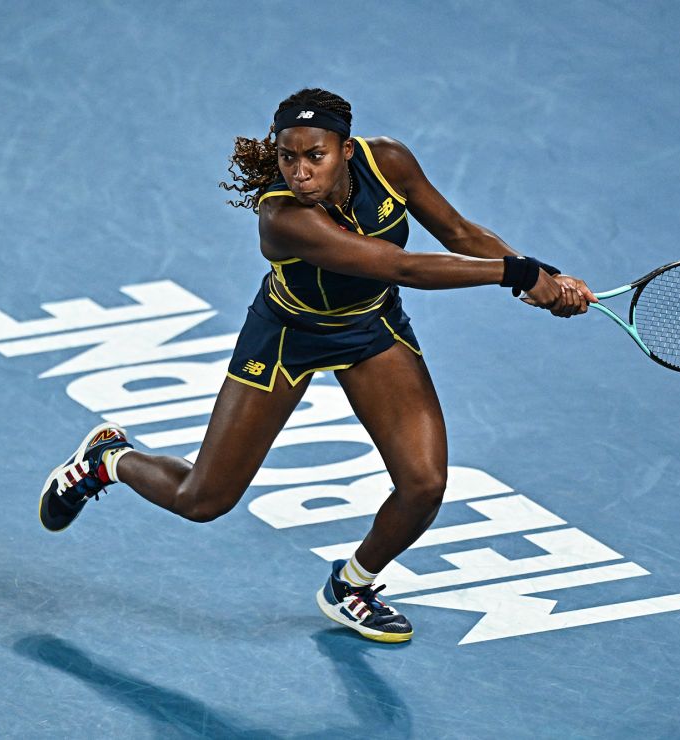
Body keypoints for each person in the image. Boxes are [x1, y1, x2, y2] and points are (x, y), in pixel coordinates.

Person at [38, 88, 596, 643]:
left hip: (371, 328)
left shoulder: (390, 162)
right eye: (288, 157)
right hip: (287, 338)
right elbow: (402, 266)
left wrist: (545, 272)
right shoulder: (282, 218)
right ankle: (108, 459)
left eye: (315, 156)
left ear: (347, 150)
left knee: (423, 485)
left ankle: (351, 586)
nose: (300, 171)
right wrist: (515, 275)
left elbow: (459, 233)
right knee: (202, 500)